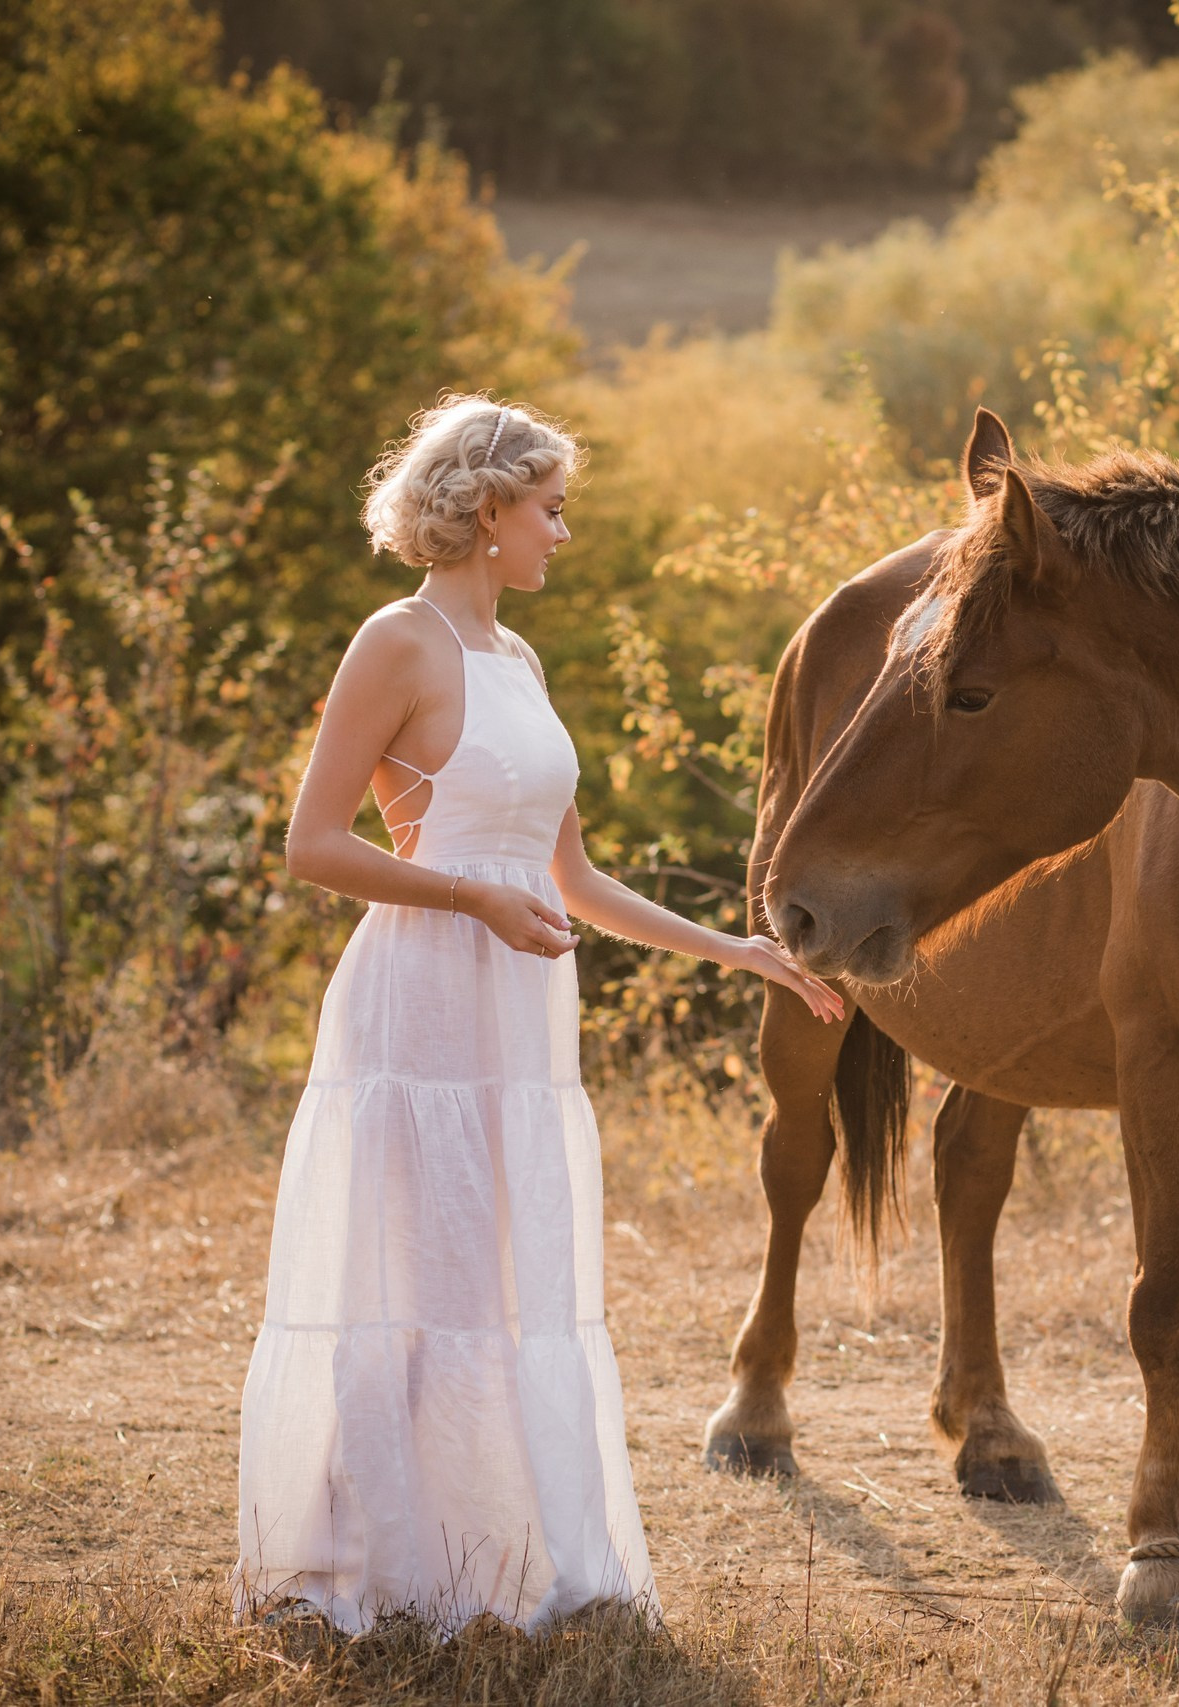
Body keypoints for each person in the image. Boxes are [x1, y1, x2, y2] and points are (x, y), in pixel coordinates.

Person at [233, 393, 843, 1636]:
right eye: (552, 510)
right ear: (486, 509)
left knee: (509, 1279)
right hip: (421, 1000)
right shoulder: (397, 644)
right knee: (429, 1275)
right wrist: (467, 896)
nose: (563, 534)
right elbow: (313, 844)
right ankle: (409, 1572)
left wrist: (733, 946)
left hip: (521, 1008)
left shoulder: (519, 661)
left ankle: (508, 1556)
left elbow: (570, 880)